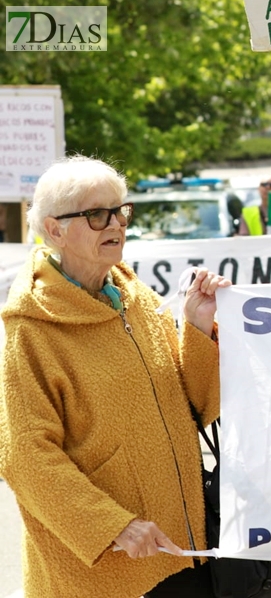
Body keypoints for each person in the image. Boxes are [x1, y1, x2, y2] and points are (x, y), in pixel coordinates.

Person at [0, 156, 231, 597]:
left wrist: (197, 326)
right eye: (95, 214)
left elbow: (193, 407)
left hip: (182, 549)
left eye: (120, 210)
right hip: (109, 569)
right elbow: (25, 457)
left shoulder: (132, 293)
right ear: (54, 230)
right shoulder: (31, 327)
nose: (116, 224)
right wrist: (113, 526)